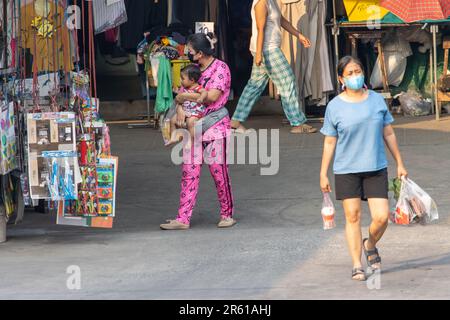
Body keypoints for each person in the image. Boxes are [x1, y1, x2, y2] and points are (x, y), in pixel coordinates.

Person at [319, 56, 408, 281]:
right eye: (349, 73)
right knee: (353, 216)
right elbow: (330, 141)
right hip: (346, 169)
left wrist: (399, 162)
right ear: (341, 79)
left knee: (381, 218)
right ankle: (357, 264)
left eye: (357, 71)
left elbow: (388, 132)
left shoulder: (377, 101)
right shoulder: (334, 106)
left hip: (375, 167)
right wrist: (323, 173)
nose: (355, 76)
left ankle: (370, 243)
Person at [160, 32, 236, 230]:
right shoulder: (192, 70)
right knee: (189, 173)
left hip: (214, 126)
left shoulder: (221, 68)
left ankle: (227, 214)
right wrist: (179, 106)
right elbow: (180, 97)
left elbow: (211, 97)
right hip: (191, 129)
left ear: (200, 53)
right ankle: (182, 218)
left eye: (191, 51)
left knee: (219, 173)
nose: (187, 53)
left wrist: (184, 98)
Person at [231, 0, 317, 134]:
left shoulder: (270, 1)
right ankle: (297, 123)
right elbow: (261, 29)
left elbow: (281, 20)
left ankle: (235, 121)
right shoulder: (261, 3)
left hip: (267, 49)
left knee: (254, 86)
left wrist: (298, 35)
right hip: (268, 50)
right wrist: (259, 54)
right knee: (288, 82)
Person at [166, 64, 208, 146]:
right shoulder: (185, 88)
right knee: (173, 120)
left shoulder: (197, 88)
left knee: (190, 122)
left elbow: (205, 92)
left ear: (192, 80)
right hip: (186, 111)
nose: (181, 81)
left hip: (195, 112)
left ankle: (191, 140)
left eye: (183, 79)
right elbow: (179, 98)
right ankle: (174, 137)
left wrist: (201, 98)